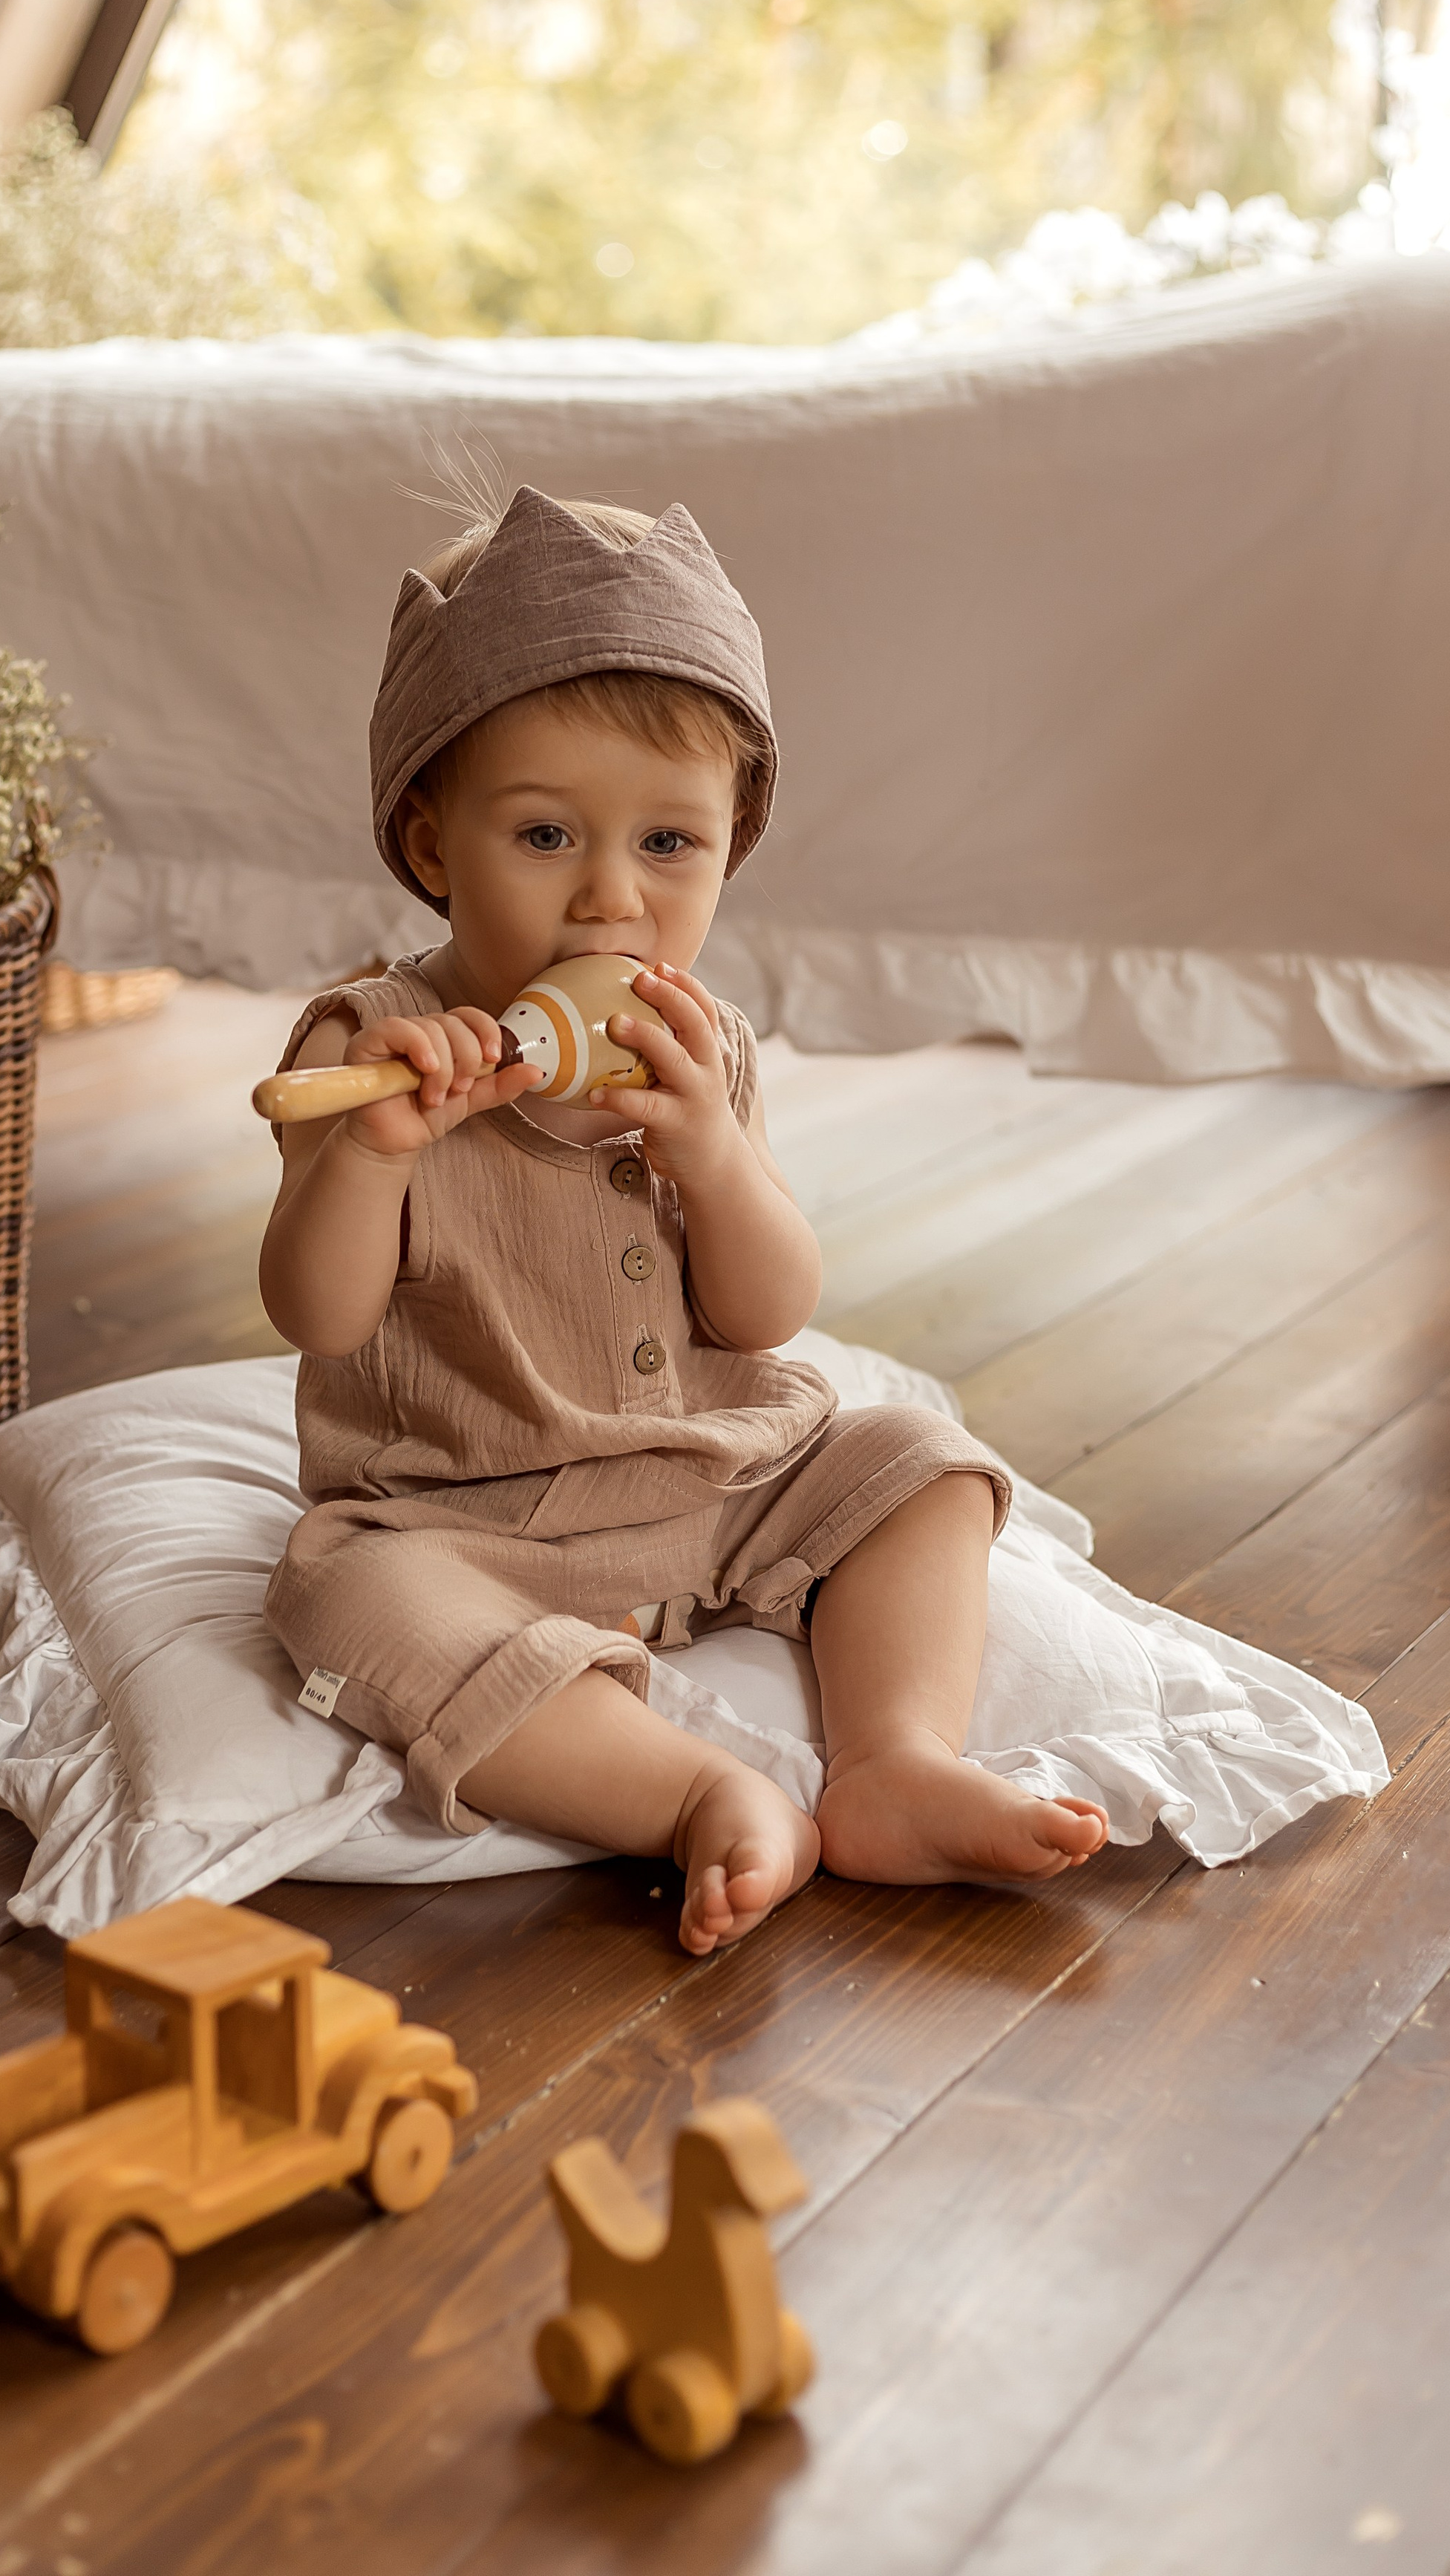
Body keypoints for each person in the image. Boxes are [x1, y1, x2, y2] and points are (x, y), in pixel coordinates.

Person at [260, 486, 1108, 1954]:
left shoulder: (692, 1041)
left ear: (729, 849)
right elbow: (317, 1315)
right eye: (543, 835)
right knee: (344, 1599)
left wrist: (713, 1156)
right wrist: (373, 1157)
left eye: (669, 846)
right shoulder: (374, 1040)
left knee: (917, 1457)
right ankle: (694, 1795)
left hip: (712, 1484)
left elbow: (765, 1314)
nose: (610, 901)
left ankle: (892, 1761)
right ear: (432, 838)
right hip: (468, 1523)